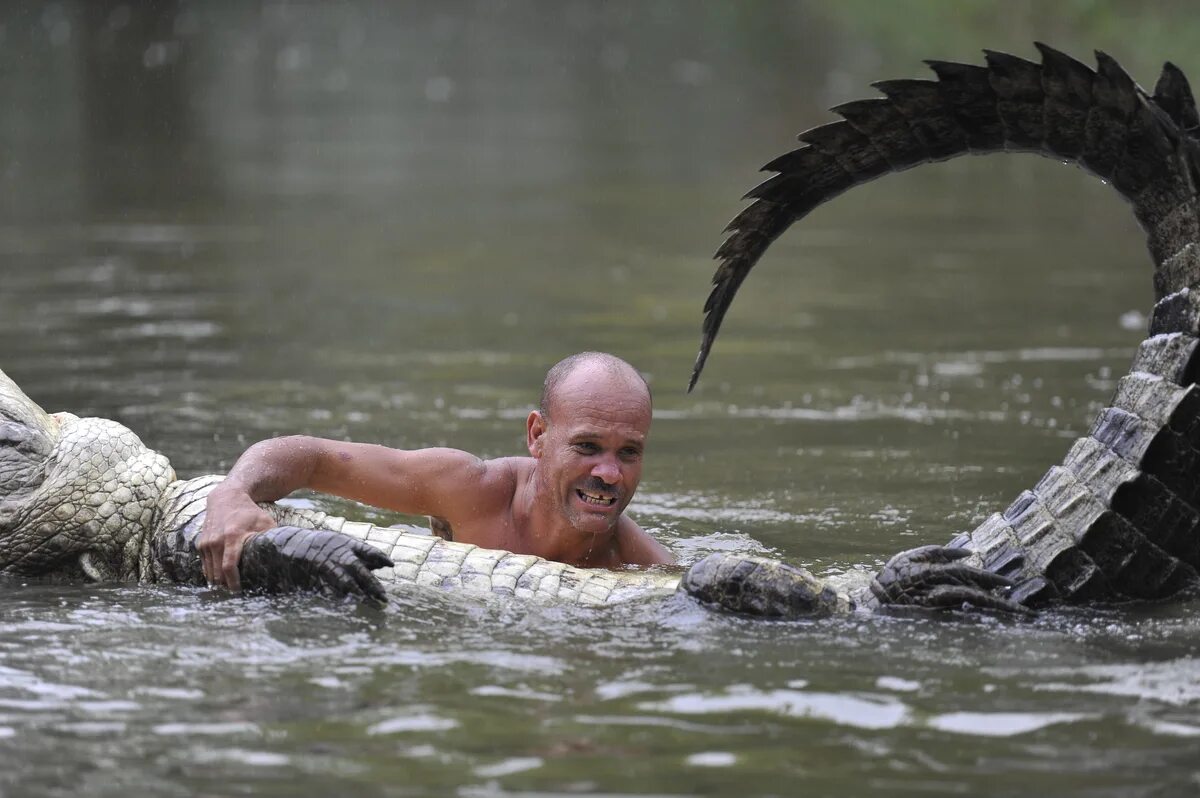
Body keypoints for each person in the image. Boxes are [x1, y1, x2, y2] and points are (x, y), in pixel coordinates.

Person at [198, 352, 675, 590]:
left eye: (629, 453)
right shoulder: (468, 491)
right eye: (587, 446)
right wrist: (232, 492)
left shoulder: (645, 565)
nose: (610, 474)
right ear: (537, 436)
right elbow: (309, 456)